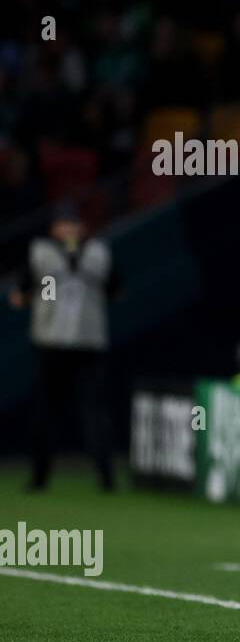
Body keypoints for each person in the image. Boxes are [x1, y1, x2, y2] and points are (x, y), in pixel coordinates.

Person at [10, 203, 117, 492]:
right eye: (65, 224)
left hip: (77, 343)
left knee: (88, 412)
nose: (69, 230)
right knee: (53, 412)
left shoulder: (90, 253)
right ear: (55, 228)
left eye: (73, 224)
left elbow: (115, 290)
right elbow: (21, 295)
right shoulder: (47, 254)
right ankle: (45, 477)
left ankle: (102, 478)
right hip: (60, 343)